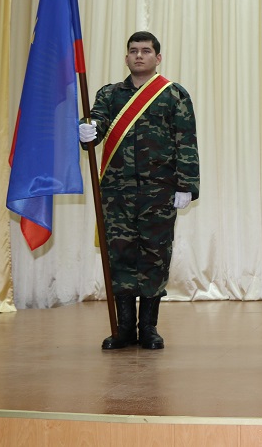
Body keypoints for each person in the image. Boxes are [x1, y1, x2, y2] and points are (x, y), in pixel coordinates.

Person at [79, 31, 199, 350]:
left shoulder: (173, 95)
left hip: (159, 193)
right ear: (126, 57)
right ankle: (123, 329)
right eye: (133, 51)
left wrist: (186, 186)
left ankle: (148, 328)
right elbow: (97, 125)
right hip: (116, 193)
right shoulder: (109, 95)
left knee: (154, 257)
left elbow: (186, 141)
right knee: (119, 256)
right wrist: (87, 129)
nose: (139, 56)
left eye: (146, 51)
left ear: (157, 58)